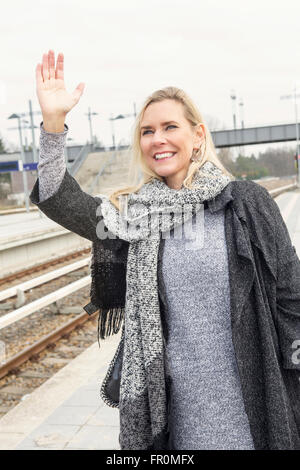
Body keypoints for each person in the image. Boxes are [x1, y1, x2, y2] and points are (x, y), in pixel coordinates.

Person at [30, 50, 300, 450]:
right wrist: (53, 123)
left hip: (256, 402)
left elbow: (291, 297)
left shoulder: (246, 204)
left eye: (170, 126)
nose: (157, 139)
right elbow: (57, 197)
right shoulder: (132, 220)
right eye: (147, 131)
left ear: (198, 135)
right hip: (175, 412)